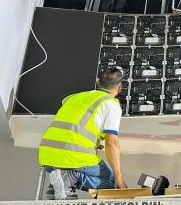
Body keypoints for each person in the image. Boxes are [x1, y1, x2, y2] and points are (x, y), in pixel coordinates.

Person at [39, 68, 128, 200]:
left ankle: (64, 183)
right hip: (73, 157)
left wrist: (93, 143)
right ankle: (71, 177)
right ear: (119, 88)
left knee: (105, 178)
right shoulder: (110, 104)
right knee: (112, 184)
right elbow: (111, 142)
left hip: (47, 156)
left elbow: (74, 126)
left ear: (98, 82)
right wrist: (119, 177)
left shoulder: (72, 98)